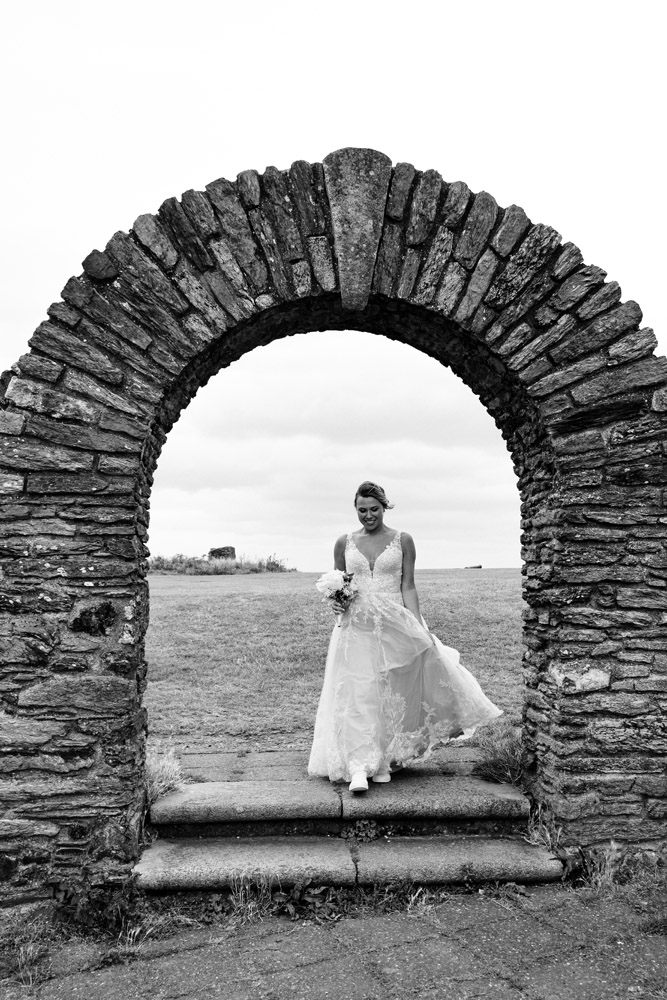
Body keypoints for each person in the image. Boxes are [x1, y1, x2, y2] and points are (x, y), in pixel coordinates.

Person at [307, 481, 502, 793]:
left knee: (390, 692)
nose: (368, 515)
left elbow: (408, 585)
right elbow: (339, 585)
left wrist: (419, 627)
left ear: (385, 507)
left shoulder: (403, 540)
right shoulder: (344, 542)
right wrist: (337, 602)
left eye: (374, 509)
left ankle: (384, 760)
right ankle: (359, 766)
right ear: (355, 509)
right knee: (357, 693)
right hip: (356, 626)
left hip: (394, 624)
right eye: (362, 510)